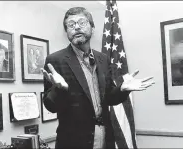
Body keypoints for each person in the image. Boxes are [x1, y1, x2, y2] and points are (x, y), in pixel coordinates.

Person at [41, 7, 155, 149]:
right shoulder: (55, 60)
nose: (76, 27)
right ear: (67, 32)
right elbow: (50, 106)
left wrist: (122, 89)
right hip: (73, 142)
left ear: (92, 27)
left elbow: (109, 98)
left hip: (105, 138)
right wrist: (60, 89)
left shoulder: (103, 59)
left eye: (81, 22)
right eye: (71, 25)